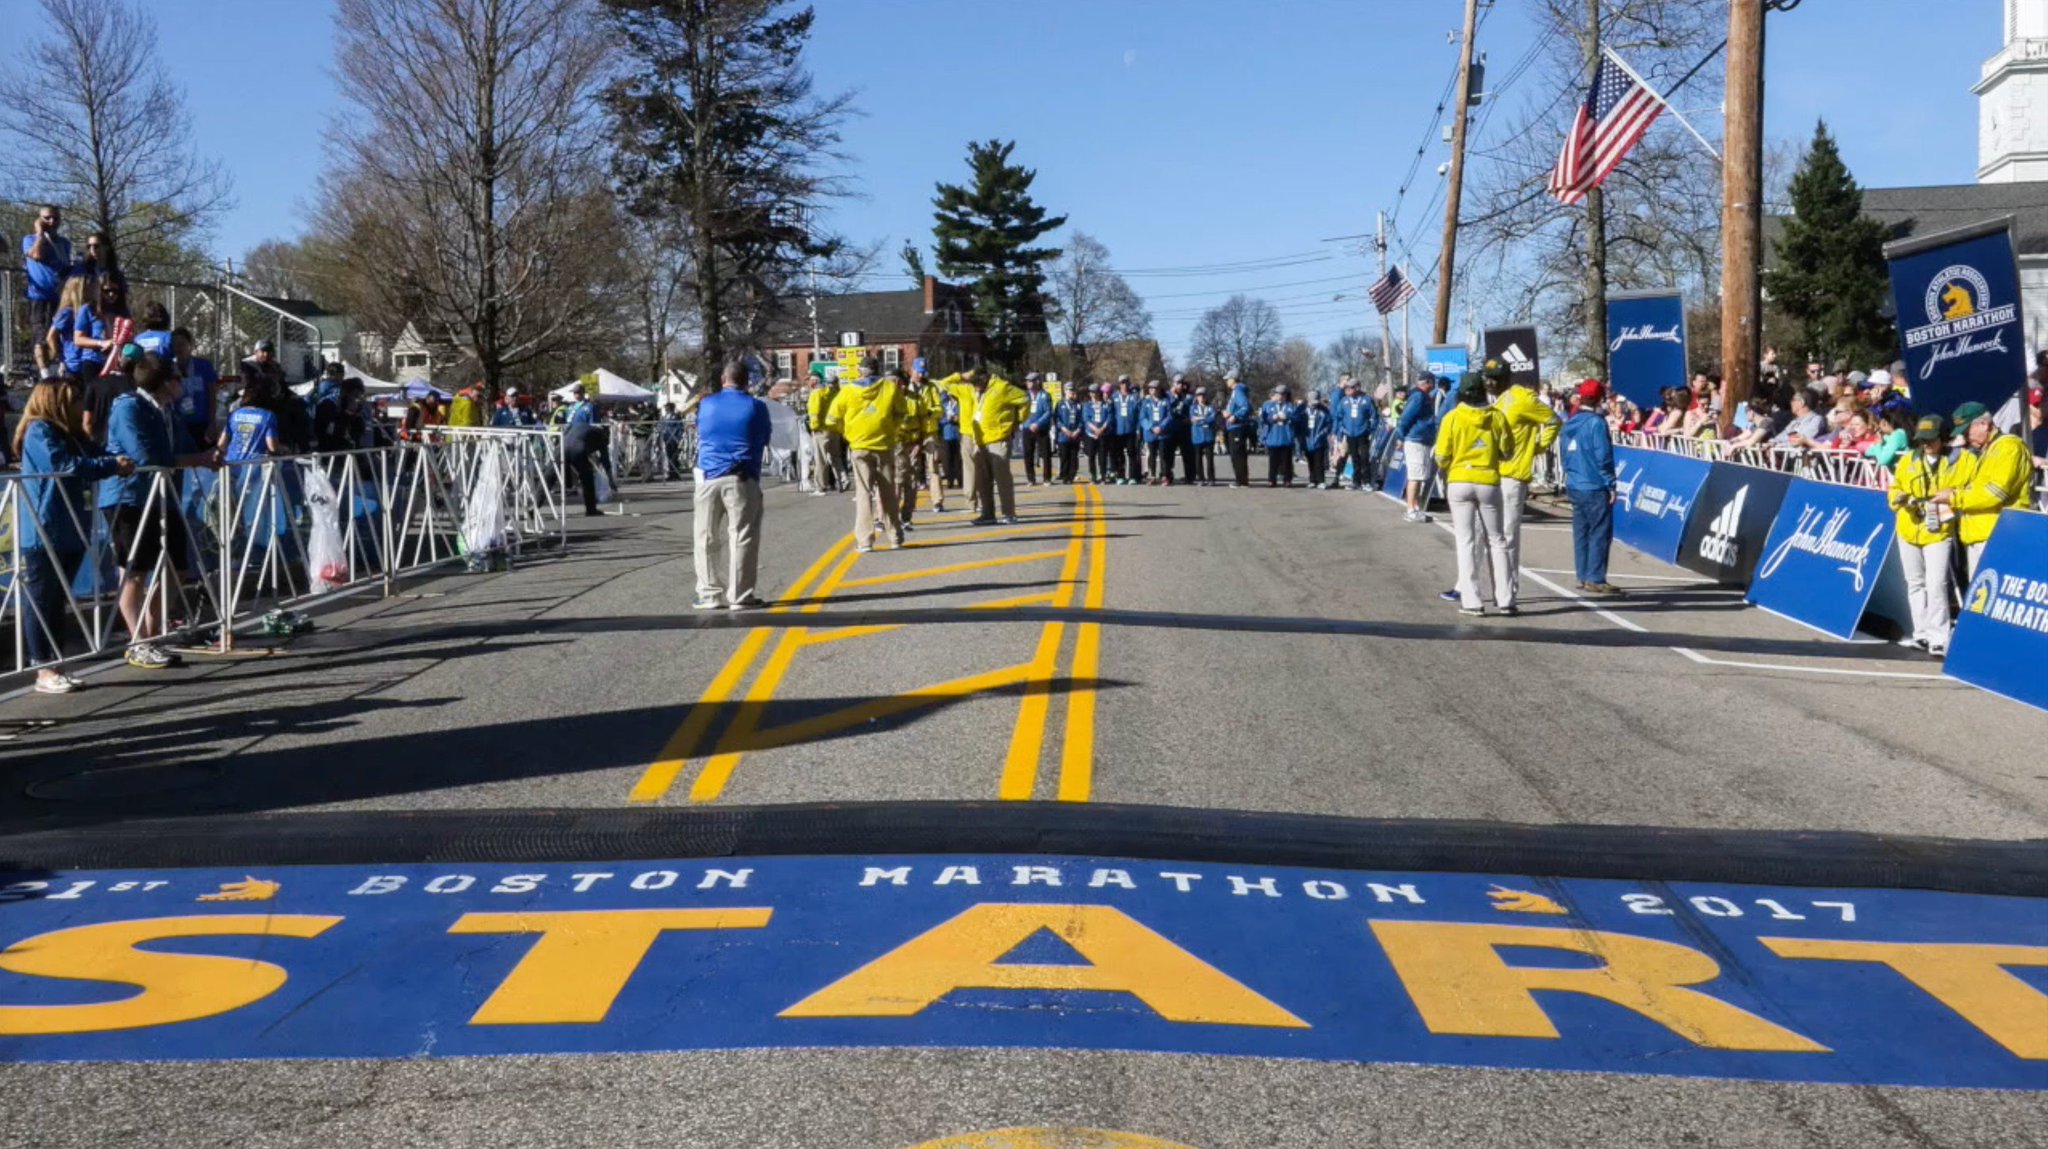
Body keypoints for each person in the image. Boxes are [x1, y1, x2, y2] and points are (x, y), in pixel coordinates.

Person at [13, 376, 135, 692]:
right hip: (44, 528)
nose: (82, 404)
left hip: (71, 526)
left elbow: (97, 452)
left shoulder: (73, 435)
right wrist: (110, 466)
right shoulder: (39, 430)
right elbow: (64, 464)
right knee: (42, 599)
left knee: (58, 600)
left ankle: (56, 664)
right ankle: (42, 667)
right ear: (57, 402)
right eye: (75, 399)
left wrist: (117, 458)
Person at [100, 354, 219, 670]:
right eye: (178, 378)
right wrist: (197, 460)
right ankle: (139, 642)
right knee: (134, 571)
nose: (183, 383)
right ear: (165, 382)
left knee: (177, 566)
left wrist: (209, 452)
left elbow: (187, 447)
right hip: (129, 497)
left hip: (164, 496)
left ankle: (151, 635)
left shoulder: (168, 411)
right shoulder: (129, 407)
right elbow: (146, 456)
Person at [691, 360, 773, 610]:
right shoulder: (756, 406)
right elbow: (764, 437)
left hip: (708, 474)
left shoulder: (706, 404)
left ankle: (709, 593)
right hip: (742, 475)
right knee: (742, 536)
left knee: (705, 536)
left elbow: (700, 430)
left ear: (723, 380)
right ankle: (740, 594)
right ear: (746, 381)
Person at [1434, 372, 1518, 616]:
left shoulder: (1452, 417)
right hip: (1488, 480)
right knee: (1497, 540)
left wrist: (1454, 462)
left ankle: (1471, 601)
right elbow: (1507, 451)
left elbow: (1441, 456)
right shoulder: (1497, 416)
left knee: (1466, 541)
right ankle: (1506, 599)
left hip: (1460, 479)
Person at [1932, 400, 2034, 576]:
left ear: (1984, 424)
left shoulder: (2009, 447)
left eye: (1967, 431)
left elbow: (1995, 494)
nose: (1965, 437)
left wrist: (1955, 497)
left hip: (1998, 535)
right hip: (1980, 534)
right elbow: (1966, 484)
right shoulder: (1985, 450)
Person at [1493, 358, 1561, 605]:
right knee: (1489, 535)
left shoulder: (1522, 399)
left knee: (1508, 535)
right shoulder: (1500, 400)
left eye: (1495, 378)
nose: (1490, 383)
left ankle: (1508, 592)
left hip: (1513, 475)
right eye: (1488, 378)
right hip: (1493, 474)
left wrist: (1538, 446)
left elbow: (1553, 420)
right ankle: (1479, 587)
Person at [1890, 415, 1958, 656]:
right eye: (1923, 440)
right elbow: (1895, 488)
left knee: (1936, 583)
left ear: (1943, 438)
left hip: (1938, 530)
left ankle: (1939, 637)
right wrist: (1900, 500)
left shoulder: (1957, 460)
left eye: (1932, 439)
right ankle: (1921, 633)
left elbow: (1966, 487)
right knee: (1915, 582)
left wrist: (1951, 495)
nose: (1926, 444)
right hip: (1909, 527)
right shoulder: (1908, 459)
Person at [829, 355, 909, 552]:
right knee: (888, 492)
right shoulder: (889, 388)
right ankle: (895, 537)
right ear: (878, 369)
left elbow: (832, 418)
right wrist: (891, 429)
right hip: (884, 445)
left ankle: (865, 540)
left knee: (864, 493)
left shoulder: (848, 391)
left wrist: (846, 432)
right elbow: (902, 412)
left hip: (860, 446)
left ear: (860, 370)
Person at [945, 363, 1029, 525]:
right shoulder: (976, 389)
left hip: (998, 440)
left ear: (984, 379)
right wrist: (961, 376)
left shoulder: (1002, 388)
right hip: (980, 441)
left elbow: (1024, 399)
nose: (975, 387)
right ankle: (988, 513)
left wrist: (1016, 421)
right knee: (983, 481)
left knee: (1002, 479)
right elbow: (943, 385)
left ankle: (1009, 513)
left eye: (976, 383)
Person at [1560, 380, 1619, 595]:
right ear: (1599, 398)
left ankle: (1582, 574)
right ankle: (1595, 577)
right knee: (1599, 532)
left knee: (1581, 531)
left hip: (1575, 482)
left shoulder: (1570, 422)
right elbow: (1603, 456)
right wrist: (1610, 483)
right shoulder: (1596, 423)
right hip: (1593, 484)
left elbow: (1564, 454)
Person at [22, 205, 73, 370]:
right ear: (39, 219)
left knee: (61, 334)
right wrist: (40, 234)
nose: (51, 221)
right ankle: (44, 374)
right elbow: (36, 255)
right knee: (41, 336)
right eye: (47, 218)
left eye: (55, 218)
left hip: (61, 297)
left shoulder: (64, 243)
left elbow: (65, 267)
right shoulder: (30, 239)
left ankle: (62, 368)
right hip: (39, 296)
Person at [1396, 372, 1440, 522]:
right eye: (1432, 382)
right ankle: (1410, 510)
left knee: (1420, 476)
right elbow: (1405, 418)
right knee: (1415, 476)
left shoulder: (1424, 396)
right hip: (1415, 440)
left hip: (1423, 440)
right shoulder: (1418, 396)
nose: (1434, 385)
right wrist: (1400, 436)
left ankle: (1415, 507)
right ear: (1427, 382)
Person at [560, 382, 608, 516]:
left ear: (582, 393)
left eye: (578, 393)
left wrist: (593, 443)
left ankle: (591, 503)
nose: (576, 395)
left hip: (584, 441)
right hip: (569, 440)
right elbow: (567, 424)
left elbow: (594, 424)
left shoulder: (589, 407)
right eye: (575, 393)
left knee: (588, 473)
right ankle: (573, 489)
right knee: (566, 470)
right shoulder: (570, 408)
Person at [72, 273, 130, 379]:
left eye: (115, 291)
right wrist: (101, 343)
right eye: (107, 291)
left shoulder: (123, 311)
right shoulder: (88, 309)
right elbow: (78, 339)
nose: (111, 294)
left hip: (117, 364)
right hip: (94, 361)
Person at [170, 328, 219, 446]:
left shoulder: (204, 366)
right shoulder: (170, 367)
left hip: (201, 423)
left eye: (182, 344)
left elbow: (212, 395)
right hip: (178, 424)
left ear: (190, 345)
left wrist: (212, 422)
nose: (178, 348)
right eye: (175, 345)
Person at [893, 368, 927, 529]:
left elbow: (924, 421)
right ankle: (893, 517)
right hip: (896, 445)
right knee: (898, 481)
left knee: (912, 482)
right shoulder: (888, 398)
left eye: (904, 384)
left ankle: (906, 516)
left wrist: (920, 443)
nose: (902, 387)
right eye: (899, 384)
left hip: (913, 444)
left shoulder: (916, 399)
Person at [1333, 374, 1378, 491]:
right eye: (1347, 387)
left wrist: (1370, 430)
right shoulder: (1344, 401)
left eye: (1351, 387)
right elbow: (1338, 417)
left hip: (1363, 433)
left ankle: (1366, 482)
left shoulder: (1367, 400)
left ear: (1357, 387)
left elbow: (1374, 416)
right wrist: (1340, 430)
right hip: (1350, 433)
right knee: (1354, 458)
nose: (1348, 389)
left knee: (1364, 457)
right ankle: (1356, 482)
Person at [43, 274, 89, 379]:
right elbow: (51, 337)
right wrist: (60, 358)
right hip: (74, 363)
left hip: (87, 360)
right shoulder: (67, 313)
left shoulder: (87, 311)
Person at [805, 376, 840, 495]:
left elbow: (814, 412)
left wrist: (814, 427)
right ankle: (842, 480)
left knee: (820, 459)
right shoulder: (835, 393)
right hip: (834, 429)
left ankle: (820, 487)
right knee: (836, 458)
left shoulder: (817, 393)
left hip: (821, 430)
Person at [1260, 384, 1298, 487]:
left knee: (1287, 461)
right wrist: (1272, 418)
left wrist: (1287, 417)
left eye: (1282, 394)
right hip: (1273, 437)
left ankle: (1287, 480)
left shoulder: (1291, 406)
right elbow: (1264, 419)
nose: (1280, 397)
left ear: (1286, 395)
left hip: (1286, 437)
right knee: (1273, 461)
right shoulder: (1269, 406)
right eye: (1278, 394)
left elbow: (1296, 419)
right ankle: (1271, 479)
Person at [1021, 373, 1054, 486]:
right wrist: (1028, 423)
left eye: (1030, 381)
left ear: (1037, 382)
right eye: (1027, 381)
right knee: (1028, 454)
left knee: (1045, 454)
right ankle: (1031, 479)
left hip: (1041, 428)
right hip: (1027, 427)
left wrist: (1038, 423)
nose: (1027, 383)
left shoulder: (1045, 395)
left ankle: (1047, 478)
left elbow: (1048, 412)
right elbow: (1022, 411)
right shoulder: (1025, 395)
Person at [1222, 372, 1253, 487]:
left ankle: (1241, 480)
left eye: (1228, 379)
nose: (1226, 382)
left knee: (1237, 454)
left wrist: (1235, 416)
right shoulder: (1235, 392)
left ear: (1233, 379)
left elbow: (1245, 407)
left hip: (1237, 427)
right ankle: (1241, 478)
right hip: (1233, 427)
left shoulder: (1238, 391)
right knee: (1236, 453)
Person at [1141, 379, 1175, 485]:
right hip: (1150, 433)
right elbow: (1143, 417)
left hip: (1163, 433)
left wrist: (1161, 427)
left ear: (1159, 389)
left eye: (1154, 388)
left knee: (1163, 454)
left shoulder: (1165, 401)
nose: (1152, 390)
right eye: (1150, 388)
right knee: (1152, 455)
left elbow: (1169, 416)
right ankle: (1152, 475)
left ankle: (1164, 475)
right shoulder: (1146, 402)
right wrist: (1151, 427)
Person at [1111, 375, 1142, 483]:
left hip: (1131, 430)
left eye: (1126, 382)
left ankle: (1133, 476)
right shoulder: (1114, 397)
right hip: (1118, 431)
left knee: (1132, 453)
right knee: (1119, 455)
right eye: (1122, 383)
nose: (1124, 385)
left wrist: (1138, 428)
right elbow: (1111, 413)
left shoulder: (1135, 397)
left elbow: (1139, 414)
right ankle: (1120, 476)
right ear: (1119, 384)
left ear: (1129, 383)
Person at [1053, 380, 1085, 483]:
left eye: (1072, 390)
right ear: (1065, 391)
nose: (1071, 392)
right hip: (1063, 435)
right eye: (1069, 390)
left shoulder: (1078, 404)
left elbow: (1082, 419)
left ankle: (1071, 476)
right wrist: (1064, 429)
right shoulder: (1060, 404)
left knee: (1073, 457)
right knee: (1064, 457)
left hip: (1075, 434)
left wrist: (1078, 430)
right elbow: (1057, 419)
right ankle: (1064, 476)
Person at [1187, 386, 1218, 485]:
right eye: (1199, 396)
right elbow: (1193, 420)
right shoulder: (1193, 407)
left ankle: (1211, 478)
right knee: (1198, 458)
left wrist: (1200, 419)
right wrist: (1204, 419)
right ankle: (1201, 478)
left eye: (1203, 396)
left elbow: (1212, 418)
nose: (1202, 398)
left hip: (1208, 435)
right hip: (1197, 435)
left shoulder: (1211, 407)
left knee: (1210, 458)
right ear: (1196, 397)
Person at [1170, 375, 1199, 482]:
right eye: (1177, 383)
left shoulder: (1189, 397)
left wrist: (1190, 418)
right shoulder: (1169, 396)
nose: (1180, 386)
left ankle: (1190, 476)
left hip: (1185, 428)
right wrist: (1173, 395)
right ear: (1173, 384)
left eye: (1181, 384)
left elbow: (1194, 409)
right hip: (1172, 428)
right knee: (1169, 453)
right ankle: (1168, 474)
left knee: (1187, 453)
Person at [1301, 389, 1332, 488]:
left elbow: (1329, 423)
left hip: (1319, 439)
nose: (1314, 404)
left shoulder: (1324, 410)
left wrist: (1322, 433)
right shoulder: (1302, 409)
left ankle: (1321, 481)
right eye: (1312, 402)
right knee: (1310, 461)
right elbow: (1297, 422)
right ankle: (1312, 480)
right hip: (1307, 439)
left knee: (1319, 461)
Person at [1083, 384, 1112, 483]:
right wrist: (1094, 428)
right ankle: (1093, 475)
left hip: (1103, 433)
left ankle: (1103, 475)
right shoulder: (1087, 405)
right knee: (1091, 455)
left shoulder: (1105, 404)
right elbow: (1086, 418)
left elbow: (1109, 417)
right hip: (1091, 433)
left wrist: (1102, 428)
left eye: (1095, 392)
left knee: (1102, 455)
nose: (1094, 395)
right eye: (1091, 393)